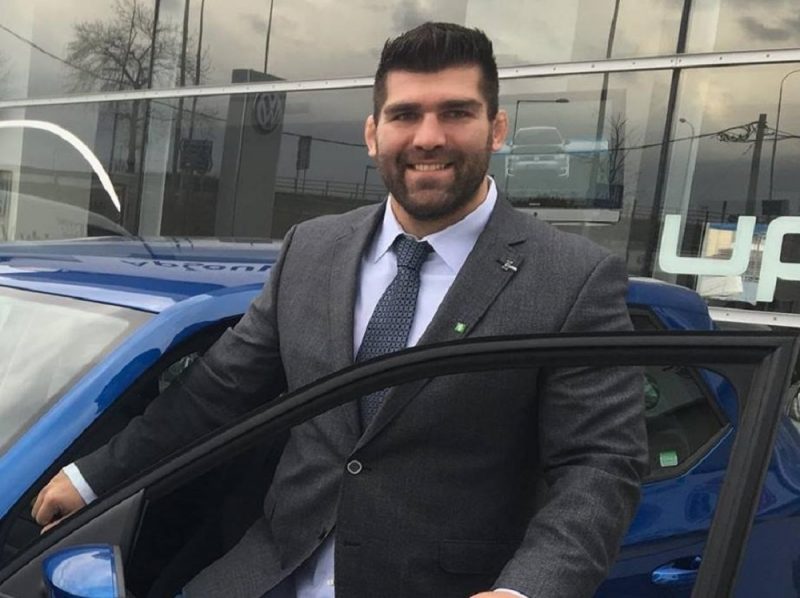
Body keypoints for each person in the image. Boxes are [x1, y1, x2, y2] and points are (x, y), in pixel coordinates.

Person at [32, 22, 646, 598]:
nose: (428, 137)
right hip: (265, 574)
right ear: (373, 133)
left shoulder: (571, 278)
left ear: (497, 128)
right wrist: (93, 478)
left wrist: (526, 589)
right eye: (405, 114)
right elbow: (215, 393)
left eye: (456, 112)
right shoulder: (311, 248)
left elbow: (598, 464)